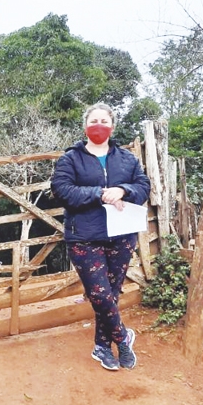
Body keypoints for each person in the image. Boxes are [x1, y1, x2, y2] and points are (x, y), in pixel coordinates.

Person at [51, 103, 151, 371]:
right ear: (85, 126)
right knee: (99, 293)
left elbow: (143, 187)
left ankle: (102, 347)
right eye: (93, 120)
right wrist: (98, 193)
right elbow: (61, 190)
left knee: (112, 293)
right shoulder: (71, 159)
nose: (99, 125)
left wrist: (122, 190)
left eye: (104, 121)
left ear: (112, 126)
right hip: (84, 235)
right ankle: (122, 337)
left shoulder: (128, 159)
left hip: (121, 235)